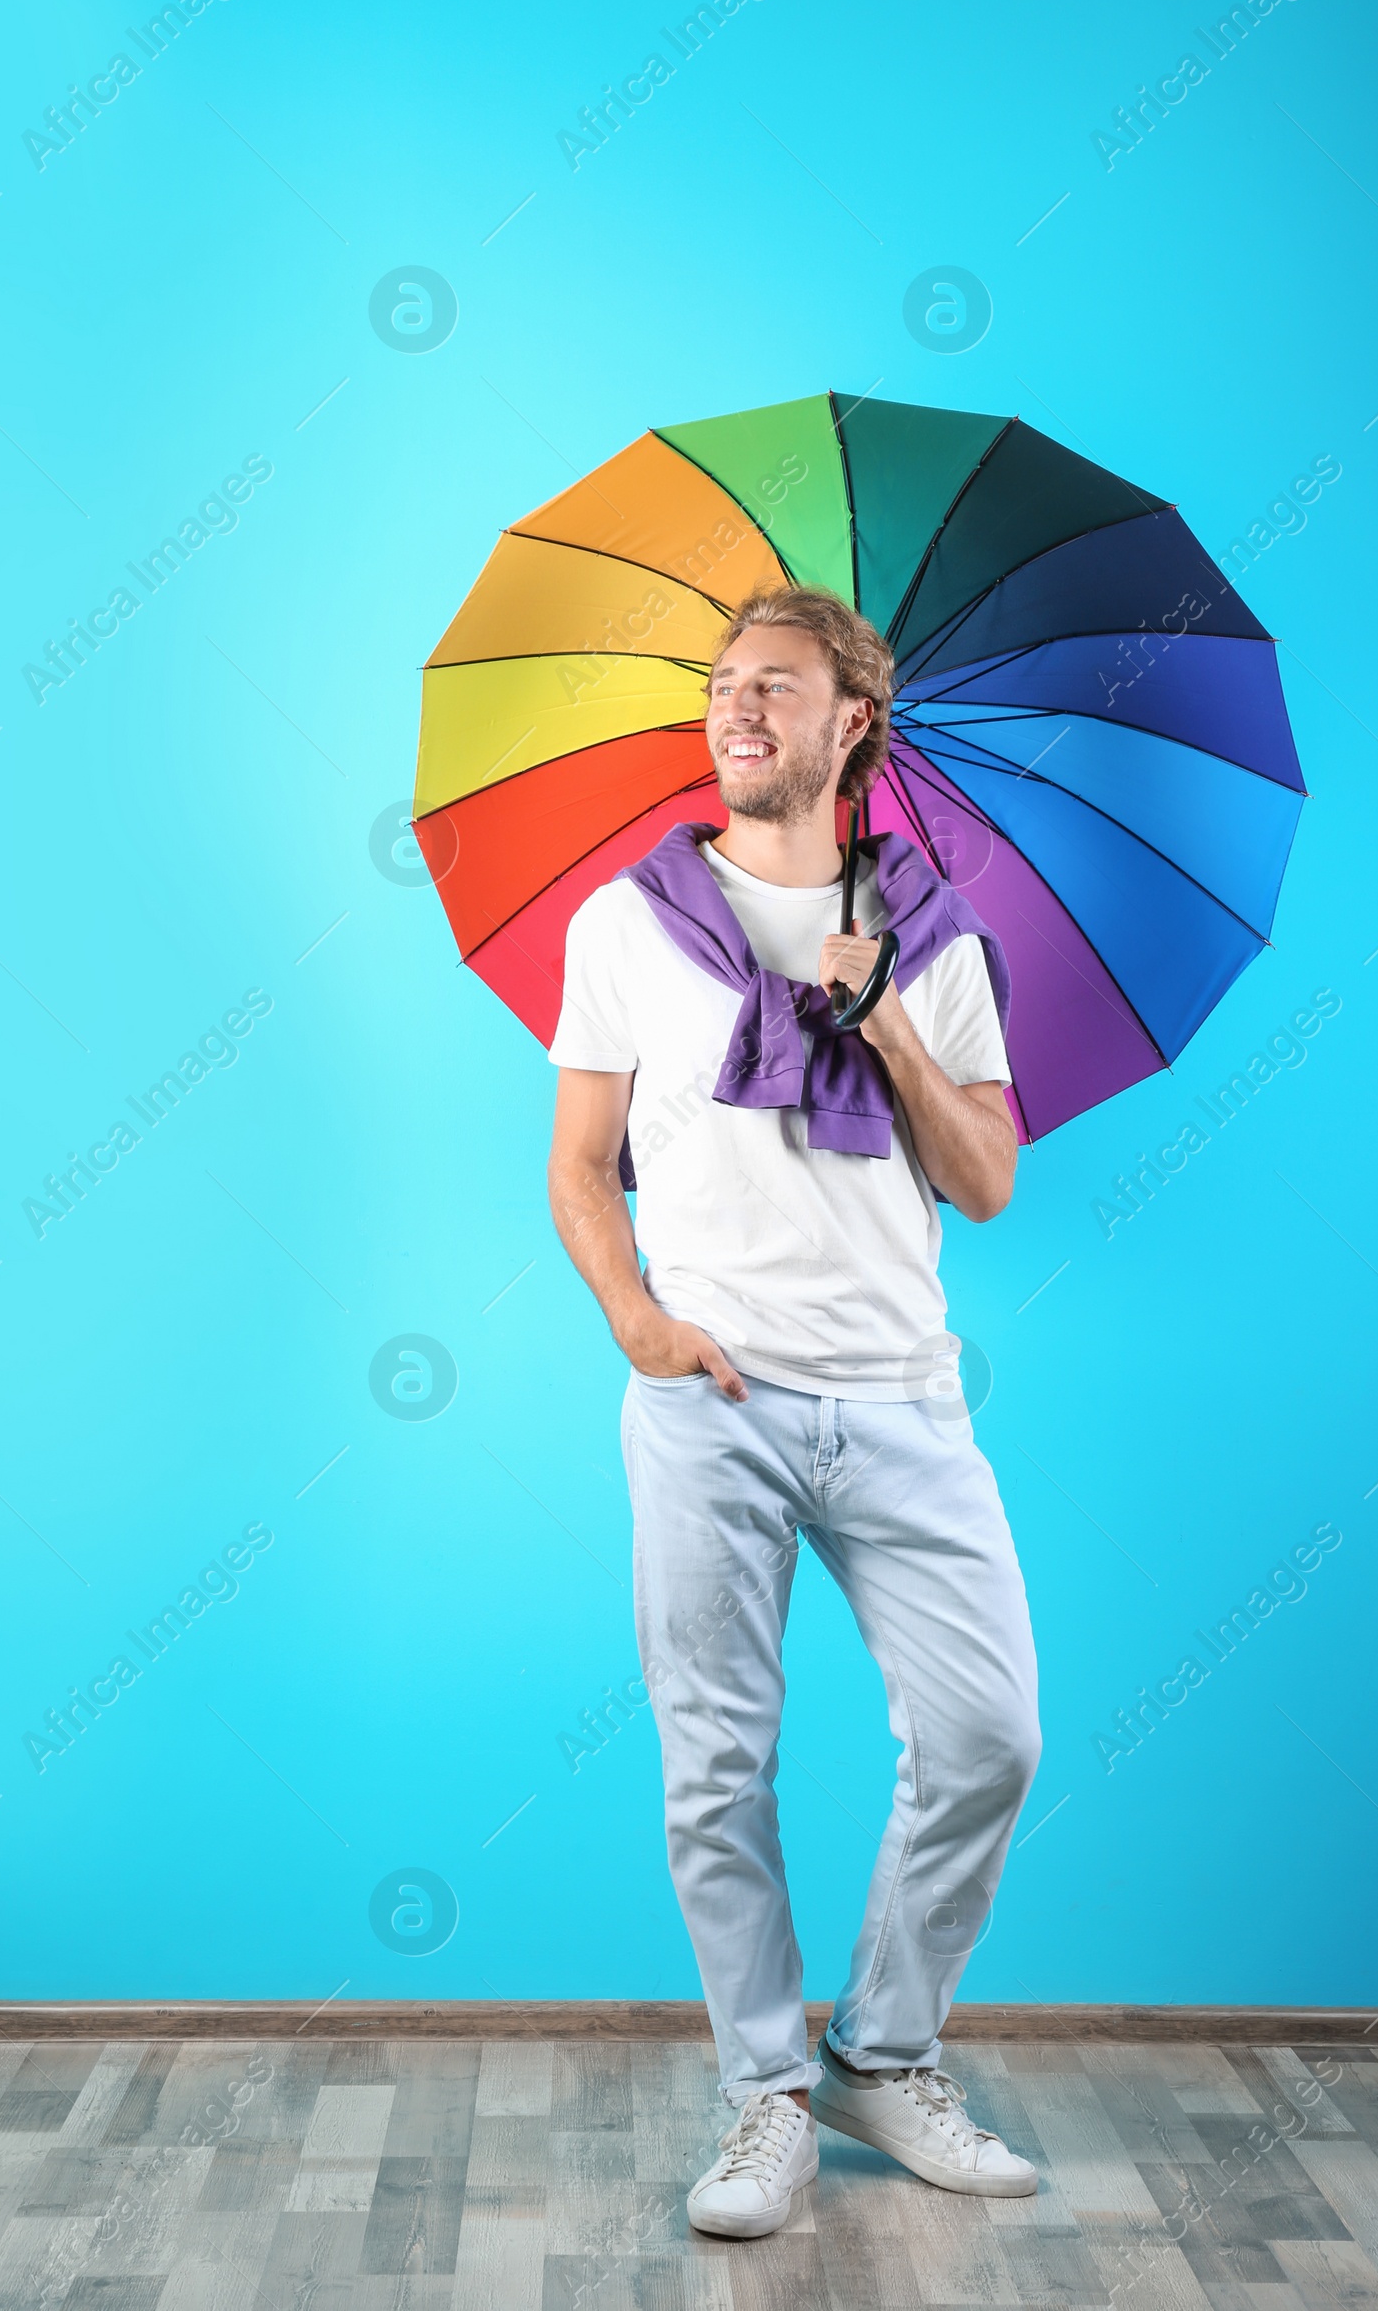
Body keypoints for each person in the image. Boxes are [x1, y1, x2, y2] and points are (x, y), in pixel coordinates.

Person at [546, 586, 1041, 2239]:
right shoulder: (626, 924)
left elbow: (987, 1182)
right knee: (716, 1768)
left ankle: (883, 2059)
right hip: (713, 1406)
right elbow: (576, 1165)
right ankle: (762, 2093)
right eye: (722, 684)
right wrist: (639, 1323)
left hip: (901, 1395)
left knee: (986, 1740)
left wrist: (885, 1010)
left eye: (777, 687)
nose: (737, 708)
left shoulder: (940, 932)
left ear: (852, 728)